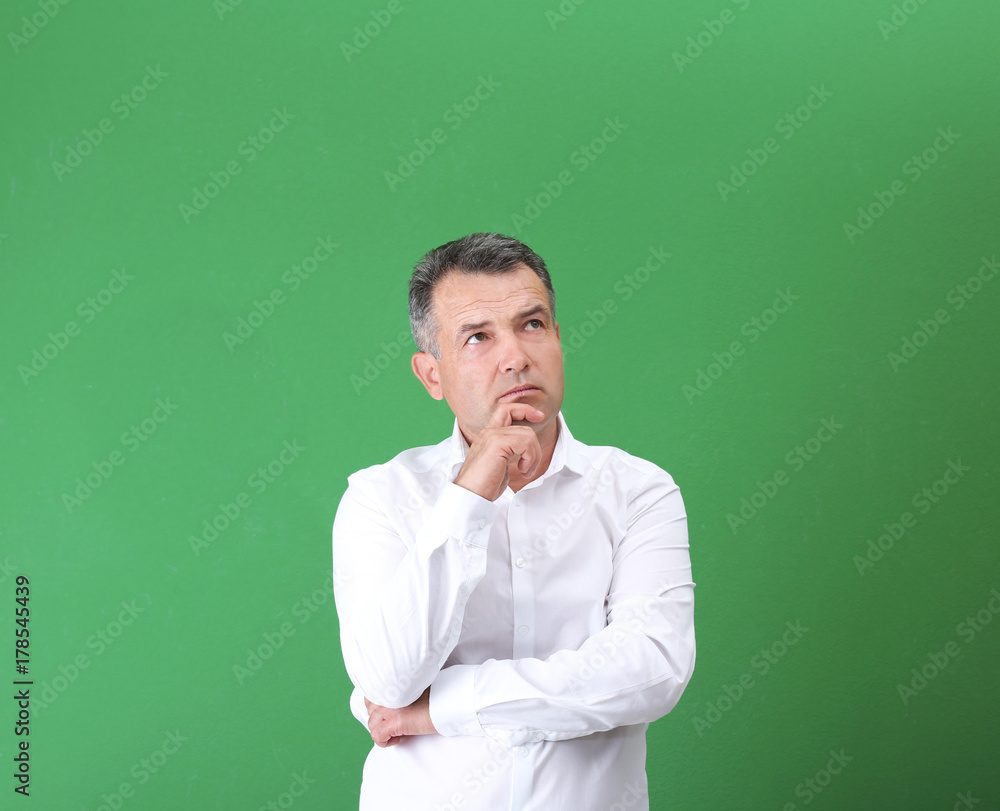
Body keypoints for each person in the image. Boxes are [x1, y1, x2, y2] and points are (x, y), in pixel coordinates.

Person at [332, 233, 695, 810]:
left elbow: (650, 670)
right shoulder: (379, 496)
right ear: (432, 375)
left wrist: (436, 711)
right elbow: (390, 680)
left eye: (532, 324)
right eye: (478, 337)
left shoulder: (639, 490)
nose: (516, 356)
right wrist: (470, 493)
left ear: (557, 337)